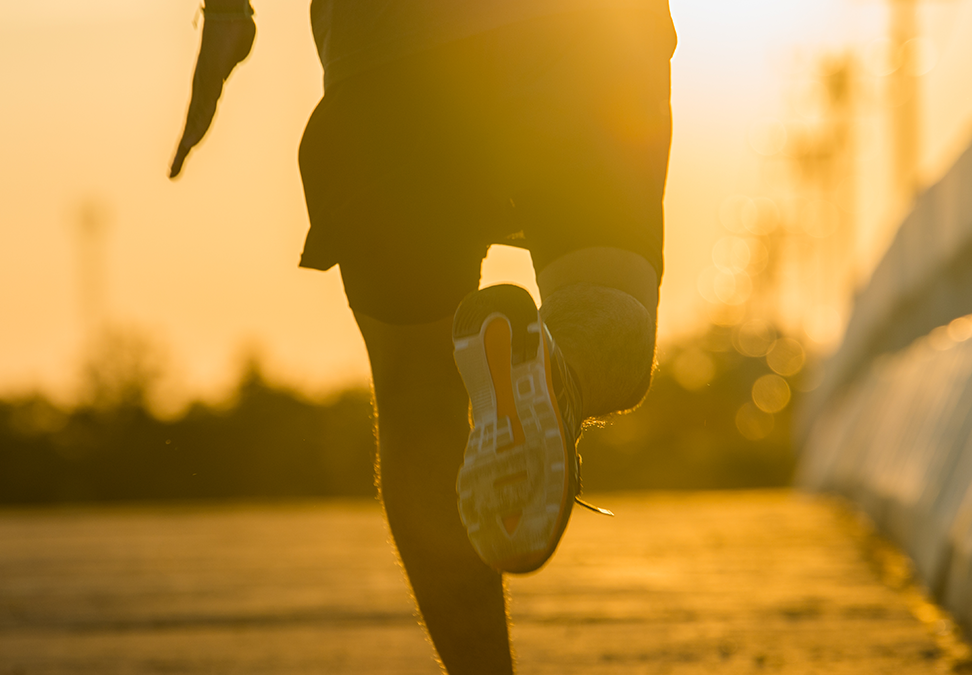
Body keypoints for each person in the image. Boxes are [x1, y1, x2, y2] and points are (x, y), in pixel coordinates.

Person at [170, 1, 675, 672]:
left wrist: (228, 13)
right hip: (584, 35)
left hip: (387, 45)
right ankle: (557, 372)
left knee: (417, 393)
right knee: (606, 296)